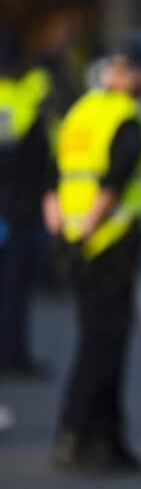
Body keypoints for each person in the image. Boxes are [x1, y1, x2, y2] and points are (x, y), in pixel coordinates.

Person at [47, 40, 141, 473]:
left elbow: (54, 179)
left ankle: (109, 439)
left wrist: (63, 237)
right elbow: (113, 185)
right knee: (103, 345)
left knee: (99, 340)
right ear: (137, 75)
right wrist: (89, 231)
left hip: (77, 240)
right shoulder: (125, 118)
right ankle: (77, 433)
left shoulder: (81, 113)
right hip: (109, 242)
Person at [0, 36, 54, 378]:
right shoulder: (25, 103)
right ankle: (12, 355)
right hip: (17, 207)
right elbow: (39, 161)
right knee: (14, 288)